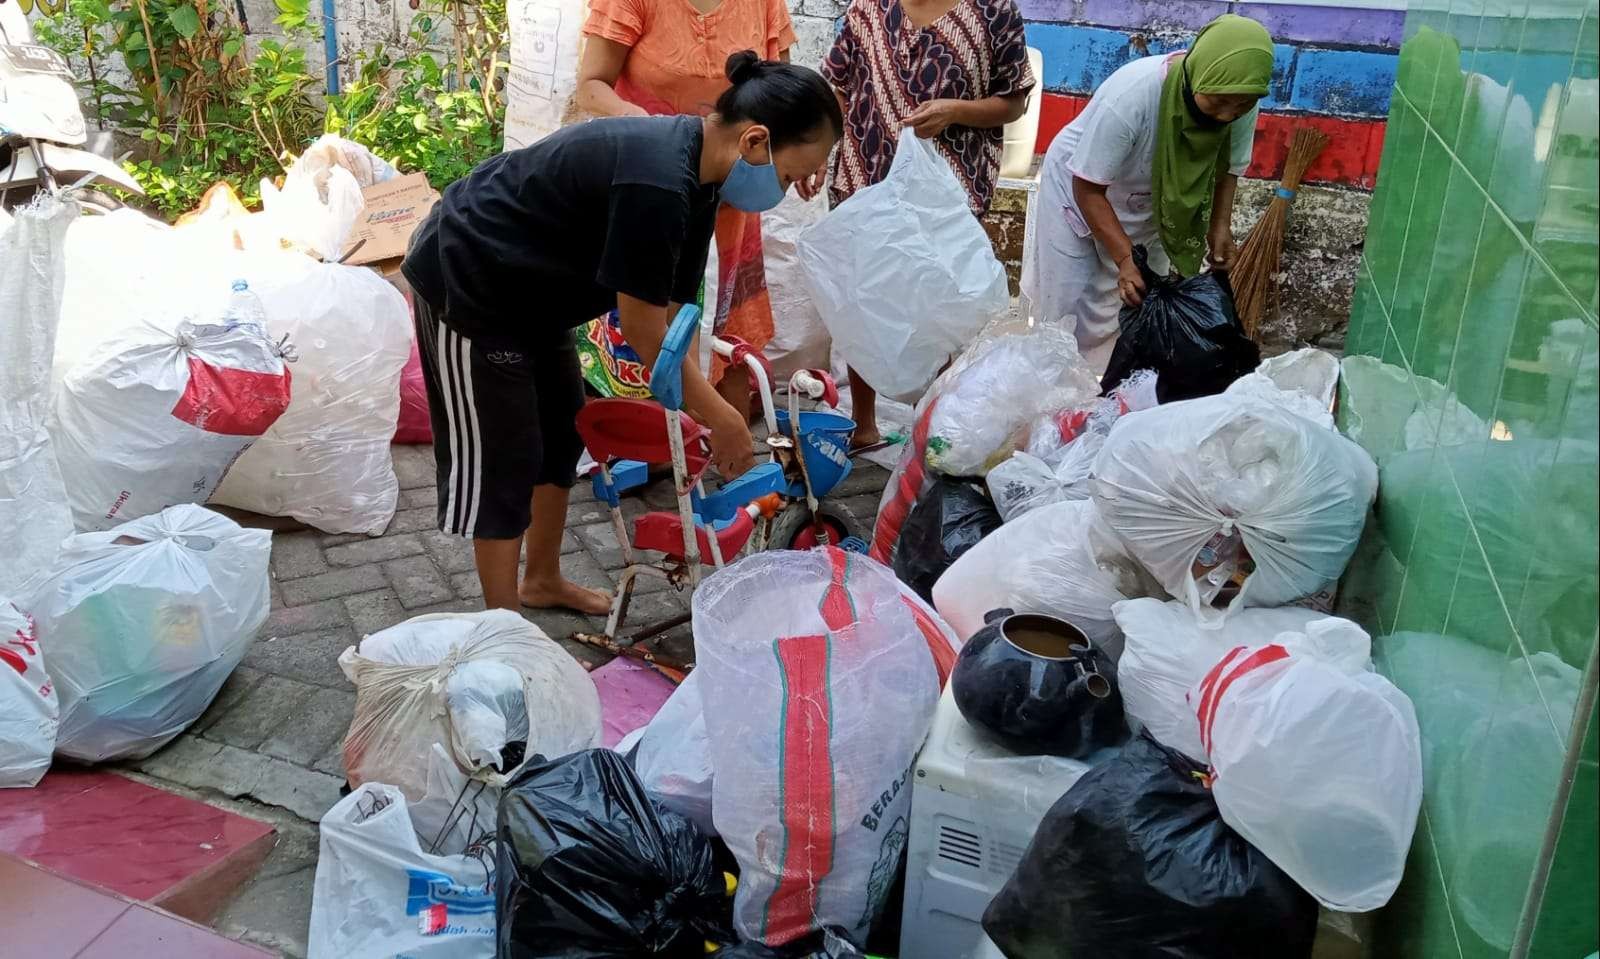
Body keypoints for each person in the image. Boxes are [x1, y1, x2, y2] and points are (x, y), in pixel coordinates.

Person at [402, 54, 842, 613]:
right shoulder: (657, 181)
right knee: (504, 455)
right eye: (789, 175)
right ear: (755, 142)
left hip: (536, 294)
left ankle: (540, 580)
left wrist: (690, 405)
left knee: (562, 432)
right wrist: (723, 417)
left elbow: (673, 319)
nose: (789, 190)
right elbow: (641, 330)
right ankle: (503, 628)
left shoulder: (702, 177)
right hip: (470, 282)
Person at [813, 0, 1035, 449]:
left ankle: (934, 429)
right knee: (866, 299)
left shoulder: (992, 10)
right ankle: (863, 423)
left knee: (941, 304)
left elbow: (1013, 101)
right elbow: (836, 85)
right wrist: (818, 149)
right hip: (867, 174)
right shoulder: (868, 8)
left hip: (948, 188)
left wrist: (955, 111)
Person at [575, 0, 797, 419]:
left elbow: (784, 95)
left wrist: (795, 157)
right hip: (650, 187)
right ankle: (658, 432)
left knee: (718, 311)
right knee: (646, 311)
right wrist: (651, 130)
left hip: (733, 190)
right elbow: (591, 84)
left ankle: (712, 427)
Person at [1023, 14, 1272, 373]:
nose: (1227, 115)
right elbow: (1088, 187)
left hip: (1150, 198)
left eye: (1240, 106)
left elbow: (1228, 169)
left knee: (1133, 302)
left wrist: (1220, 226)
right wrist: (1125, 259)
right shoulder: (1133, 96)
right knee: (1066, 303)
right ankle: (1049, 389)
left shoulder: (1238, 96)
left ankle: (1098, 395)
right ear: (1200, 73)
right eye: (1218, 103)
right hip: (1079, 190)